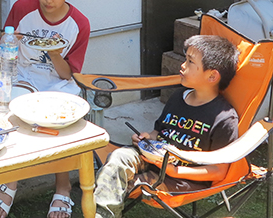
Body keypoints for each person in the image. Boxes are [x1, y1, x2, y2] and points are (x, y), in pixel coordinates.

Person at [94, 35, 239, 218]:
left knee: (118, 183)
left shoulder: (224, 118)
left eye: (190, 62)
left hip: (182, 178)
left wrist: (174, 170)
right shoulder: (179, 97)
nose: (182, 65)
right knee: (118, 157)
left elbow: (218, 171)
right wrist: (147, 138)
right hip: (153, 158)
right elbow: (159, 132)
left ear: (212, 76)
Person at [0, 0, 90, 218]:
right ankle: (11, 180)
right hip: (24, 77)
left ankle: (62, 187)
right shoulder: (22, 8)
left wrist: (56, 54)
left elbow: (68, 73)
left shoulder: (79, 24)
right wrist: (8, 40)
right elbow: (4, 45)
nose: (48, 0)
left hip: (59, 84)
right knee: (11, 113)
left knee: (57, 123)